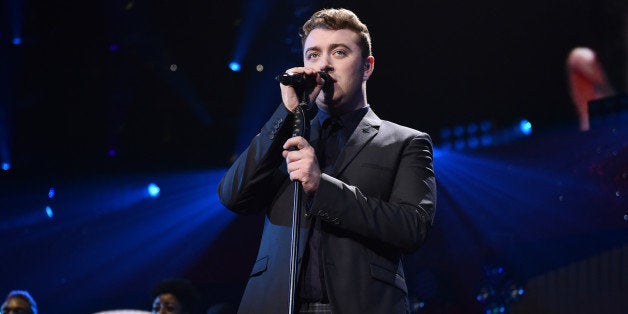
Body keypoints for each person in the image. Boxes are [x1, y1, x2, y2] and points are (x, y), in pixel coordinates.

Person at [218, 8, 436, 314]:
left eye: (339, 52)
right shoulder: (286, 134)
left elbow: (412, 228)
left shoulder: (405, 142)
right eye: (313, 55)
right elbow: (233, 195)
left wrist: (322, 187)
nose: (323, 65)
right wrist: (287, 112)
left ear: (367, 66)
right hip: (274, 303)